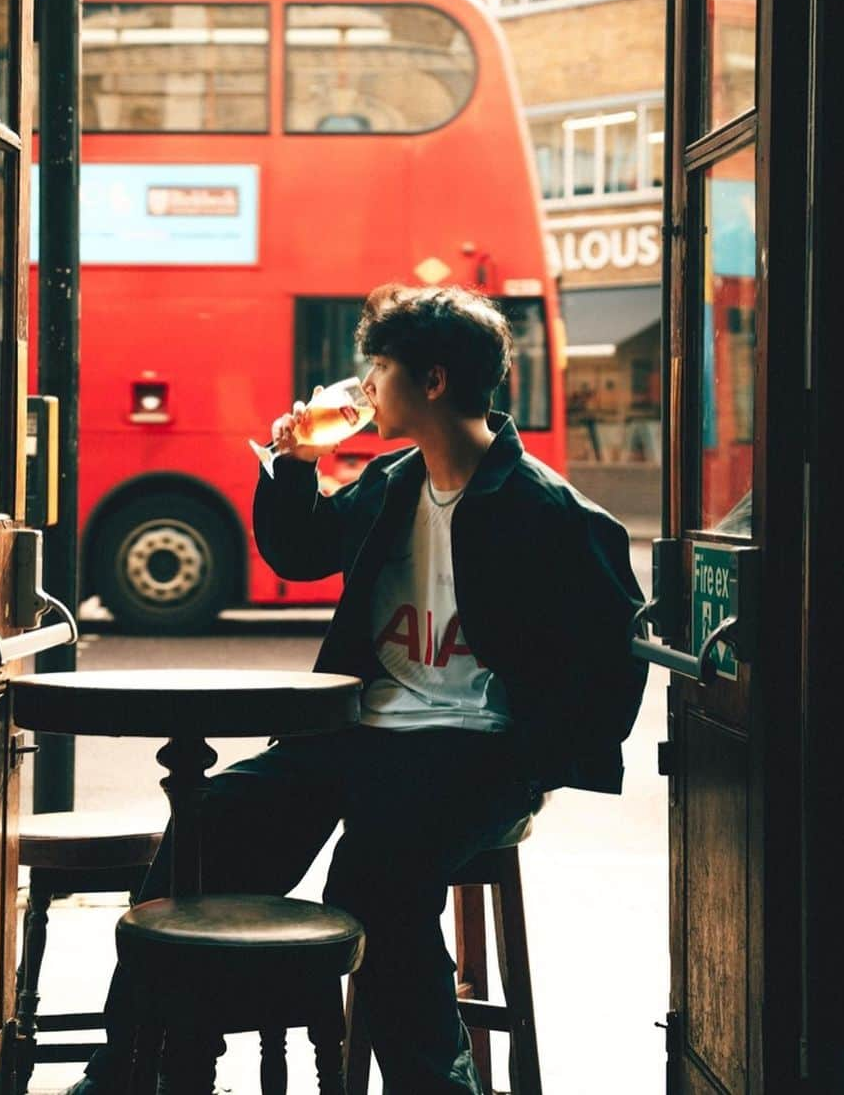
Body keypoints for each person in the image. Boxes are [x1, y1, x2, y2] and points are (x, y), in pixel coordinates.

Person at [66, 282, 647, 1095]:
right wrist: (295, 462)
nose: (367, 385)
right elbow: (299, 551)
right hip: (361, 735)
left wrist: (535, 765)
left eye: (380, 365)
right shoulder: (393, 483)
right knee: (209, 831)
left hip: (475, 751)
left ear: (434, 381)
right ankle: (139, 1066)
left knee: (376, 881)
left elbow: (610, 662)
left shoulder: (548, 511)